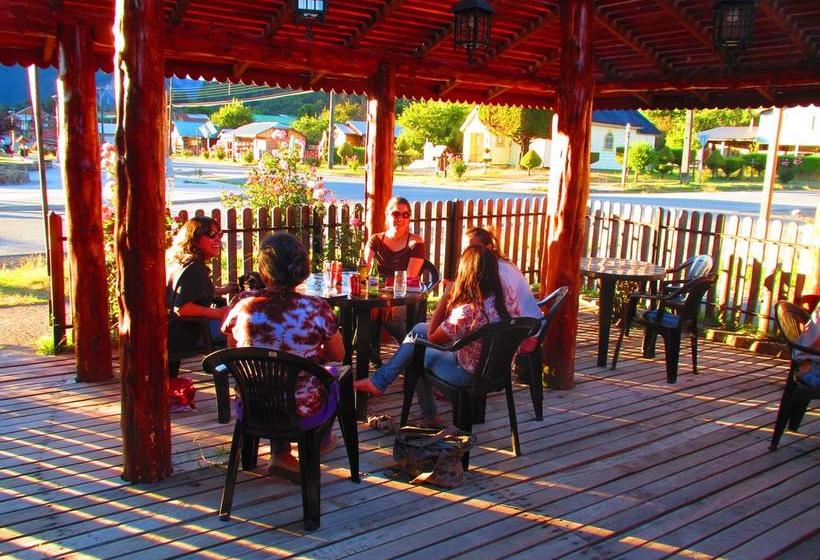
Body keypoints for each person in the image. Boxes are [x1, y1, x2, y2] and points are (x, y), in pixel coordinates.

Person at [354, 246, 521, 425]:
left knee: (416, 352)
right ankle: (380, 381)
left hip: (467, 373)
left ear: (467, 273)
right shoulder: (506, 295)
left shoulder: (469, 311)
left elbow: (433, 337)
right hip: (498, 369)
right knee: (418, 329)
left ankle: (428, 415)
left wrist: (446, 296)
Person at [222, 232, 345, 471]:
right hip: (301, 408)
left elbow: (232, 350)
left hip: (252, 403)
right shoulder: (316, 308)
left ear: (265, 270)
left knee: (274, 377)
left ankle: (281, 453)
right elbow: (337, 355)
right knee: (336, 377)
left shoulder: (243, 302)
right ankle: (318, 442)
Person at [166, 216, 237, 378]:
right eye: (212, 234)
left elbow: (192, 291)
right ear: (194, 238)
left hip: (169, 329)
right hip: (187, 332)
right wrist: (221, 313)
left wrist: (221, 290)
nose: (218, 239)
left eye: (220, 234)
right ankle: (237, 372)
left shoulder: (178, 261)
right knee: (240, 324)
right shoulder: (194, 268)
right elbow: (182, 308)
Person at [364, 196, 427, 354]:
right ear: (387, 214)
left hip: (404, 297)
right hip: (378, 296)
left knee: (386, 316)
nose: (400, 218)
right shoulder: (375, 240)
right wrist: (379, 300)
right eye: (395, 214)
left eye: (405, 215)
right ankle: (369, 350)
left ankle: (410, 352)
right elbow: (365, 272)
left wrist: (385, 301)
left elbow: (408, 279)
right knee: (365, 310)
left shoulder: (415, 243)